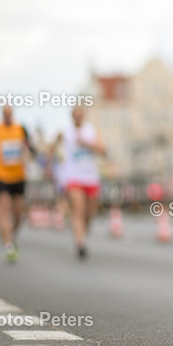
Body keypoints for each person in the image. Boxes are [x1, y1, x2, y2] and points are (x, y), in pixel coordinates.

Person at [0, 105, 38, 263]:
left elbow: (30, 145)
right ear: (2, 115)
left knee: (19, 212)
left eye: (10, 114)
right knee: (4, 207)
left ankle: (9, 233)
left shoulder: (21, 129)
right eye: (5, 114)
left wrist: (36, 155)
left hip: (18, 176)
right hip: (2, 175)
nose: (8, 117)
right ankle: (9, 245)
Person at [49, 105, 105, 260]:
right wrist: (51, 166)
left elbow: (103, 149)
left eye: (81, 114)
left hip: (91, 177)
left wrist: (87, 143)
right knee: (78, 210)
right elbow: (52, 148)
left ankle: (82, 234)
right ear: (72, 116)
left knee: (89, 213)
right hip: (73, 177)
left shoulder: (92, 131)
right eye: (76, 115)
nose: (78, 117)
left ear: (84, 116)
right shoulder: (65, 131)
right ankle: (80, 243)